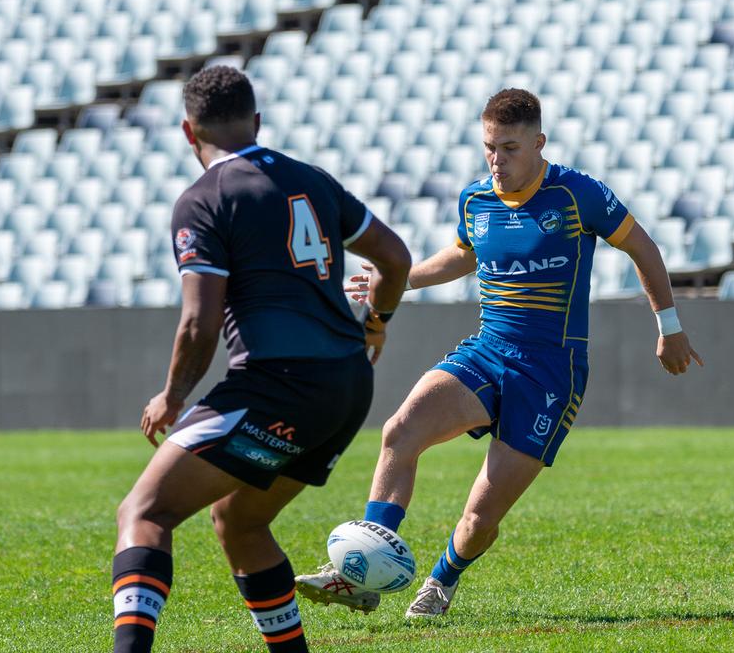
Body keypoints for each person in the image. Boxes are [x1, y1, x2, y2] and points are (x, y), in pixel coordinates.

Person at [296, 88, 703, 618]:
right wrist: (397, 279)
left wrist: (669, 326)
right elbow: (462, 256)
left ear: (539, 143)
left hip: (551, 372)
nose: (497, 159)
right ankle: (359, 572)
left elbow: (642, 247)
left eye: (509, 148)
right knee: (401, 431)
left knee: (478, 520)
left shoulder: (577, 194)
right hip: (487, 351)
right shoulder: (476, 199)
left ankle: (442, 580)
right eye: (489, 147)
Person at [111, 66, 411, 653]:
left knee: (144, 511)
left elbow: (199, 322)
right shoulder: (312, 180)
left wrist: (172, 397)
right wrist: (376, 323)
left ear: (186, 131)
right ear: (257, 121)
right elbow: (394, 258)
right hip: (347, 388)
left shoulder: (204, 199)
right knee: (240, 522)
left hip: (277, 383)